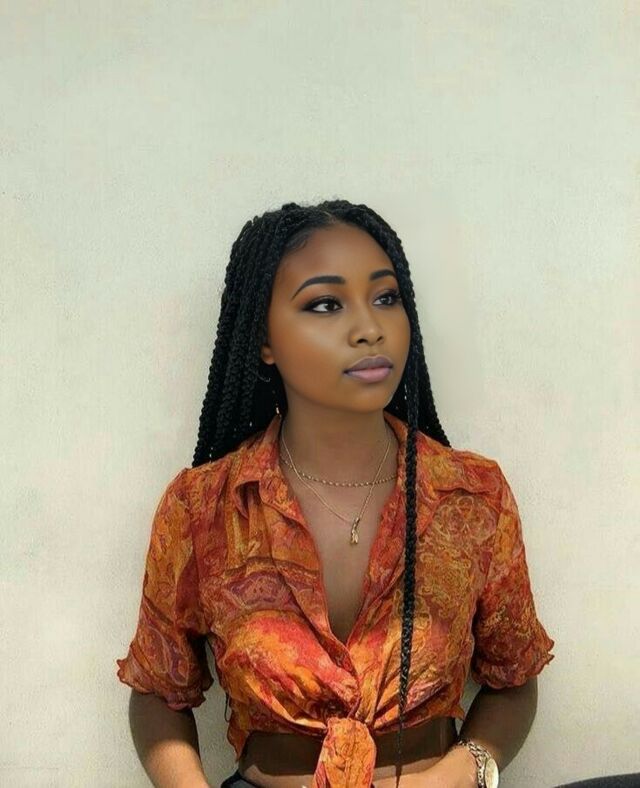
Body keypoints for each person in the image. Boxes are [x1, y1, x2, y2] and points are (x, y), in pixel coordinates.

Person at [116, 199, 555, 788]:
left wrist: (459, 774)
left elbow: (514, 677)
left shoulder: (471, 497)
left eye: (386, 298)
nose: (370, 328)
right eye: (325, 304)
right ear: (264, 339)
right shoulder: (203, 508)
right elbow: (158, 692)